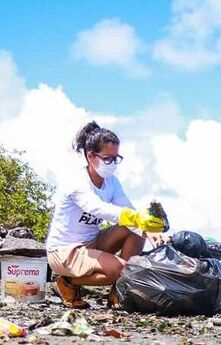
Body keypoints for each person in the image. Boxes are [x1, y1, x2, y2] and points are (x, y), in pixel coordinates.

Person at [44, 121, 165, 307]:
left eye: (116, 159)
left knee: (136, 230)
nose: (112, 164)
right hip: (65, 251)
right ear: (91, 156)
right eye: (107, 159)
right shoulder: (75, 181)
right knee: (121, 269)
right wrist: (137, 218)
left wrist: (150, 229)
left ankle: (118, 291)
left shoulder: (112, 182)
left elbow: (127, 209)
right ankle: (67, 282)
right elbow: (97, 208)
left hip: (91, 243)